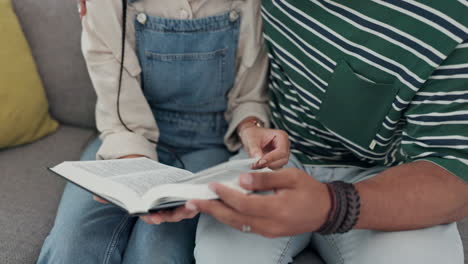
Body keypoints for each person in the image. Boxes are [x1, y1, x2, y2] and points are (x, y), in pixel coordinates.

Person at [174, 1, 467, 264]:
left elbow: (454, 173)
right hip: (275, 159)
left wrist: (333, 206)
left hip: (389, 177)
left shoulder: (450, 18)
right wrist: (252, 125)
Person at [37, 0, 290, 263]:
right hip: (125, 136)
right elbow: (116, 100)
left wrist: (251, 127)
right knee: (70, 245)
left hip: (212, 143)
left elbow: (249, 95)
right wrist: (134, 175)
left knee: (156, 252)